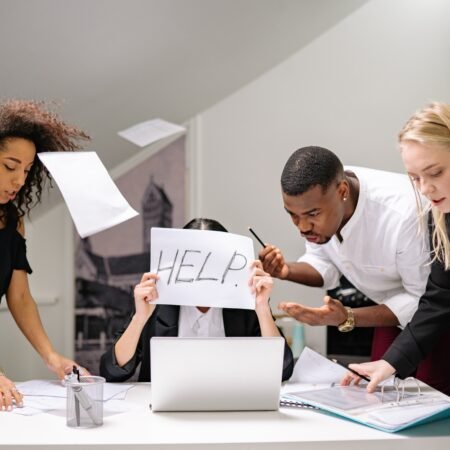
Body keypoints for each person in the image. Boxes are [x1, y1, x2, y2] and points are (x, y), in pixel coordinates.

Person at [257, 146, 448, 390]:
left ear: (342, 191)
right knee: (376, 394)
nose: (303, 227)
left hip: (436, 319)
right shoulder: (322, 195)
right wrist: (285, 271)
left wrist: (348, 317)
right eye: (293, 215)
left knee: (433, 398)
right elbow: (324, 264)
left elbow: (425, 301)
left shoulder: (403, 214)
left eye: (312, 214)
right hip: (388, 313)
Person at [100, 218, 294, 382]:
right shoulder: (157, 303)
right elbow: (112, 371)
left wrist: (261, 309)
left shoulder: (245, 305)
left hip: (231, 410)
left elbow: (282, 370)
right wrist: (139, 319)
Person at [344, 102, 450, 394]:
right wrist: (389, 362)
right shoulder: (439, 218)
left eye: (435, 172)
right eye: (415, 178)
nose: (425, 189)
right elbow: (439, 300)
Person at [0, 100, 90, 410]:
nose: (19, 181)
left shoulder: (13, 223)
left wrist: (52, 358)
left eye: (26, 170)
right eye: (10, 167)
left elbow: (21, 298)